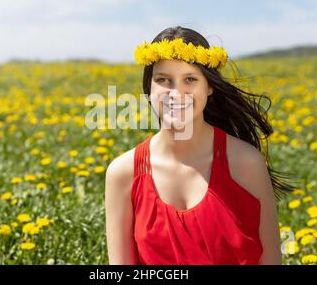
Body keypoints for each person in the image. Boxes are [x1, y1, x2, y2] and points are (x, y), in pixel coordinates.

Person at [105, 26, 296, 265]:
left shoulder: (246, 163)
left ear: (209, 86)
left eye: (190, 79)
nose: (176, 93)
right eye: (163, 80)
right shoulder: (123, 173)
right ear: (149, 89)